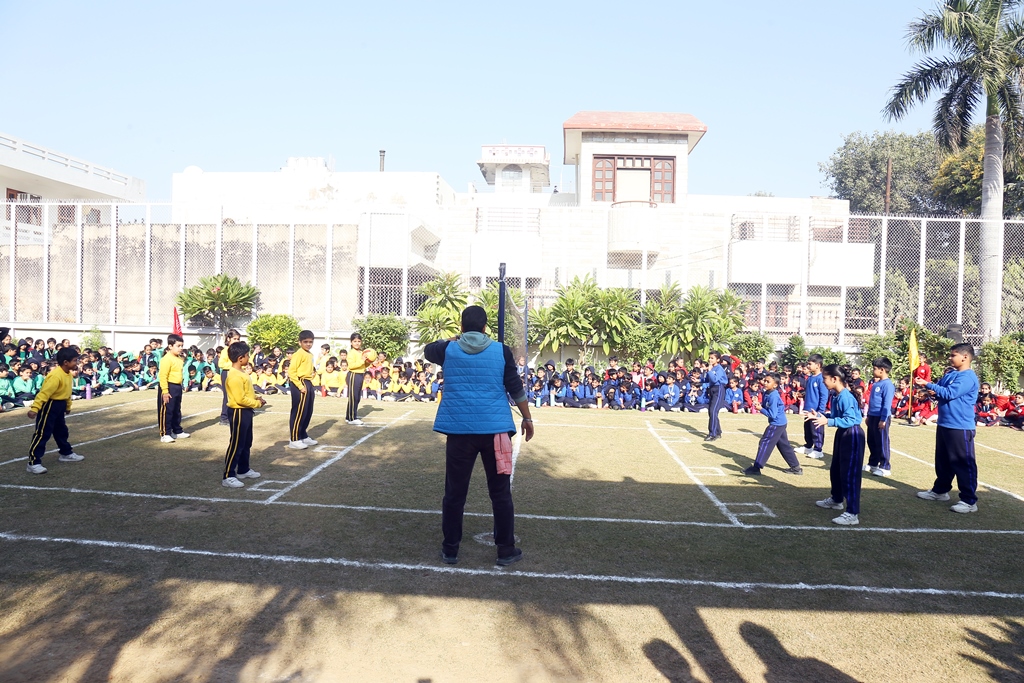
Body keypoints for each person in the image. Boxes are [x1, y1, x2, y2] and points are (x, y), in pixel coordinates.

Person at [423, 305, 534, 567]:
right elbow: (515, 388)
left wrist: (452, 338)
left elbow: (428, 350)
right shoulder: (501, 350)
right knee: (500, 493)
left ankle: (450, 549)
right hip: (495, 431)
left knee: (455, 493)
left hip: (459, 431)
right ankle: (505, 550)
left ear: (462, 327)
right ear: (485, 328)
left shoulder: (448, 349)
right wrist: (527, 418)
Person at [915, 343, 980, 513]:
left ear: (965, 357)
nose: (950, 358)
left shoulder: (968, 377)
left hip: (960, 426)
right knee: (943, 461)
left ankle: (969, 501)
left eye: (953, 355)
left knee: (963, 463)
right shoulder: (951, 374)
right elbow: (941, 390)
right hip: (945, 423)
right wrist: (932, 391)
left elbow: (950, 393)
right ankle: (940, 491)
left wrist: (929, 385)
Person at [809, 365, 865, 525]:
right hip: (843, 433)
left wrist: (828, 421)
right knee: (836, 469)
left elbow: (852, 420)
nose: (823, 381)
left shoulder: (845, 396)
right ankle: (836, 499)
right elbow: (836, 415)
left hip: (852, 435)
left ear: (834, 379)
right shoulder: (837, 395)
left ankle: (852, 513)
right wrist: (820, 415)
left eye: (825, 378)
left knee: (850, 474)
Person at [25, 347, 83, 474]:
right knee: (43, 433)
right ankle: (33, 462)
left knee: (61, 431)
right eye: (74, 360)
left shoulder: (68, 374)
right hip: (50, 405)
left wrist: (67, 406)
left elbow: (67, 392)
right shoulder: (55, 376)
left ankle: (65, 453)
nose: (77, 363)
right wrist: (35, 408)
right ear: (66, 362)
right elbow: (44, 393)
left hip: (60, 405)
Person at [221, 341, 267, 488]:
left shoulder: (241, 373)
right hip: (238, 411)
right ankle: (228, 475)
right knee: (237, 443)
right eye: (247, 355)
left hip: (246, 411)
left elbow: (246, 393)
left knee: (247, 442)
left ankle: (243, 469)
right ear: (240, 358)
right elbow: (240, 399)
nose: (249, 358)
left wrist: (256, 398)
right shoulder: (234, 375)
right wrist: (257, 404)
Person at [743, 372, 802, 476]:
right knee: (784, 445)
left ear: (775, 385)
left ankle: (756, 468)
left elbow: (772, 414)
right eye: (764, 381)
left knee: (764, 443)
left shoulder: (773, 396)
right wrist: (758, 403)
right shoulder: (766, 393)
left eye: (768, 381)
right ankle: (796, 467)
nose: (765, 383)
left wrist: (760, 409)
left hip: (776, 424)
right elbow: (767, 406)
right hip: (781, 423)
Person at [865, 358, 895, 477]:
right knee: (871, 441)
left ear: (882, 370)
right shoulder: (875, 384)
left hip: (881, 417)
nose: (873, 371)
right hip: (872, 416)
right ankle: (873, 463)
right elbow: (872, 402)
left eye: (874, 369)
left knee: (882, 441)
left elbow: (887, 404)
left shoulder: (888, 385)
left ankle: (885, 466)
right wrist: (868, 415)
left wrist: (883, 419)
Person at [288, 330, 318, 449]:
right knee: (299, 411)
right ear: (300, 342)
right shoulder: (298, 354)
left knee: (307, 410)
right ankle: (294, 439)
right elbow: (292, 372)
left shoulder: (310, 354)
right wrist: (300, 386)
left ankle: (303, 435)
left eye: (310, 342)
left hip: (308, 382)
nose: (308, 344)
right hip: (300, 381)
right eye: (305, 342)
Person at [158, 333, 190, 443]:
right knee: (167, 410)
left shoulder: (179, 359)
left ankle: (177, 430)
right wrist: (165, 391)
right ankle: (165, 433)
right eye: (178, 346)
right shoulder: (166, 359)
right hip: (168, 386)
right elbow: (163, 376)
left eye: (182, 346)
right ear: (170, 346)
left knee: (176, 409)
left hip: (177, 386)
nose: (180, 348)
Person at [798, 354, 827, 459]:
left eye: (810, 364)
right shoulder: (810, 378)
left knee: (817, 430)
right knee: (808, 429)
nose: (808, 366)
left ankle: (818, 450)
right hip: (808, 409)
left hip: (816, 411)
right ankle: (808, 446)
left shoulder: (821, 378)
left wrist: (820, 411)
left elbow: (824, 395)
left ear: (818, 365)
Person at [217, 329, 241, 426]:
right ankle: (224, 418)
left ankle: (233, 416)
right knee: (228, 396)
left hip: (236, 374)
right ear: (228, 339)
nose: (237, 341)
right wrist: (233, 365)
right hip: (227, 373)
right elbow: (221, 364)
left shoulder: (238, 350)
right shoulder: (225, 350)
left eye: (238, 339)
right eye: (234, 339)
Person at [344, 333, 368, 425]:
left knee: (357, 397)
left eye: (359, 341)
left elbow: (363, 365)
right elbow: (351, 366)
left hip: (360, 374)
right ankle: (352, 418)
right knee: (353, 397)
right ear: (351, 342)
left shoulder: (361, 352)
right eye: (355, 341)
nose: (357, 343)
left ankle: (348, 416)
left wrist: (369, 361)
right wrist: (362, 360)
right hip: (353, 375)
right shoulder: (351, 353)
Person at [703, 351, 727, 441]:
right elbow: (707, 380)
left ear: (718, 359)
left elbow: (714, 379)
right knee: (711, 412)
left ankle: (712, 434)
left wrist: (709, 371)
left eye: (712, 358)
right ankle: (718, 431)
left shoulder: (719, 368)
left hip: (719, 389)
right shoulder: (712, 368)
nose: (710, 360)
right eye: (709, 358)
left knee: (713, 411)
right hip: (712, 389)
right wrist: (699, 380)